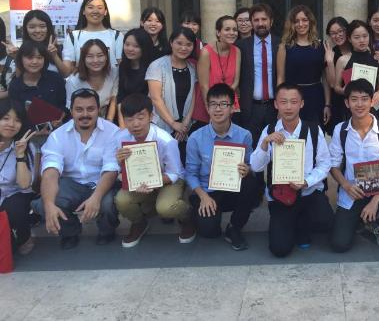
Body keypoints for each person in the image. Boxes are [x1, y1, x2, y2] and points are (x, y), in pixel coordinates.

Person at [250, 83, 333, 257]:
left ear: (301, 104)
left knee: (325, 222)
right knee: (279, 249)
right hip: (281, 195)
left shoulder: (313, 130)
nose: (288, 107)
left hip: (309, 192)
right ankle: (290, 224)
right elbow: (256, 166)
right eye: (283, 102)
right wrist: (265, 143)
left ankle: (302, 223)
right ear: (276, 104)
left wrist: (306, 181)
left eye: (293, 102)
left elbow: (325, 164)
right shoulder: (269, 130)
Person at [33, 88, 121, 249]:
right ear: (71, 111)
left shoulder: (113, 132)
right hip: (71, 184)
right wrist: (49, 204)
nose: (85, 114)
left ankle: (107, 231)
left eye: (90, 109)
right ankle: (70, 232)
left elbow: (111, 169)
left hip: (102, 183)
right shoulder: (57, 136)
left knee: (108, 203)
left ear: (99, 109)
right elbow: (50, 172)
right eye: (79, 109)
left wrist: (96, 198)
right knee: (45, 204)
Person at [329, 79, 379, 251]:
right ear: (347, 103)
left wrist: (375, 201)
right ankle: (363, 221)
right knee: (339, 244)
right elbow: (333, 165)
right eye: (354, 99)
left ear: (372, 101)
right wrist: (346, 185)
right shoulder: (340, 130)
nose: (359, 104)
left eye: (364, 99)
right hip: (352, 192)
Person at [114, 94, 194, 247]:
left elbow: (175, 174)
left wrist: (152, 181)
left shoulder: (165, 140)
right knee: (121, 200)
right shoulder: (120, 138)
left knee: (166, 207)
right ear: (123, 120)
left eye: (140, 117)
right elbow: (116, 170)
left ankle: (187, 217)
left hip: (168, 180)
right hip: (140, 181)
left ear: (151, 116)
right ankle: (139, 223)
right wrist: (119, 162)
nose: (135, 124)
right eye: (129, 119)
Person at [185, 83, 258, 250]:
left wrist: (247, 169)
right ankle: (196, 211)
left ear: (232, 108)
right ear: (207, 107)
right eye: (213, 104)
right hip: (208, 191)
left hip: (233, 188)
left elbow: (250, 164)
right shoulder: (196, 138)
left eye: (223, 104)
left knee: (251, 183)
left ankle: (234, 227)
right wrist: (203, 196)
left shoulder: (244, 135)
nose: (218, 109)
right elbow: (190, 173)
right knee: (209, 232)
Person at [146, 27, 197, 162]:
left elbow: (193, 97)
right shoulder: (157, 66)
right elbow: (156, 99)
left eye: (188, 44)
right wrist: (173, 124)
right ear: (171, 43)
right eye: (179, 43)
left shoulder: (192, 68)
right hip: (162, 125)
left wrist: (185, 124)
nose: (183, 48)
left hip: (185, 127)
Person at [276, 5, 330, 126]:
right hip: (292, 98)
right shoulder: (284, 47)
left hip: (316, 97)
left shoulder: (320, 46)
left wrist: (327, 104)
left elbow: (325, 79)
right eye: (296, 21)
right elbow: (280, 78)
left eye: (304, 20)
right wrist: (280, 105)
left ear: (310, 22)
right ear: (292, 24)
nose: (301, 24)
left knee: (315, 133)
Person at [236, 3, 280, 144]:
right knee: (251, 149)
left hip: (275, 108)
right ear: (251, 23)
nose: (260, 23)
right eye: (256, 20)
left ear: (271, 22)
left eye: (264, 19)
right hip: (250, 108)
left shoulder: (281, 45)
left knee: (275, 149)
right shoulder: (241, 46)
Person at [0, 100, 38, 254]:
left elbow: (24, 185)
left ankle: (24, 238)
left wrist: (20, 155)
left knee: (14, 208)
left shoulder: (27, 146)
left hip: (16, 194)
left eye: (17, 120)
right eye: (5, 118)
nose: (11, 124)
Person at [193, 15, 240, 129]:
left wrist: (225, 104)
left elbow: (235, 81)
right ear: (218, 32)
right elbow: (203, 86)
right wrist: (212, 110)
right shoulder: (206, 52)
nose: (232, 33)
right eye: (227, 29)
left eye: (234, 30)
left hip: (228, 105)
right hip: (207, 105)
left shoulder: (237, 51)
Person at [8, 40, 66, 122]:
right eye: (30, 57)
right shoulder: (15, 85)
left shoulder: (56, 78)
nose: (35, 62)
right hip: (29, 129)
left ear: (45, 59)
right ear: (21, 59)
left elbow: (64, 104)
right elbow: (16, 116)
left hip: (57, 127)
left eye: (39, 57)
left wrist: (62, 115)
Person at [3, 10, 73, 77]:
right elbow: (20, 78)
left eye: (42, 26)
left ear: (48, 28)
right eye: (32, 27)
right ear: (26, 29)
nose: (37, 30)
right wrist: (16, 57)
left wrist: (54, 56)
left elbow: (66, 74)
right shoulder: (22, 50)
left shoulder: (61, 48)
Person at [333, 20, 379, 114]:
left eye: (365, 36)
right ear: (349, 39)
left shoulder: (377, 59)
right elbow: (336, 87)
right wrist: (344, 90)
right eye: (357, 37)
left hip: (372, 106)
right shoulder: (343, 60)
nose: (362, 40)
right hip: (351, 108)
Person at [63, 0, 124, 69]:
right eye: (90, 7)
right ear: (83, 11)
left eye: (100, 8)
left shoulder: (116, 36)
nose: (95, 11)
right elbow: (69, 68)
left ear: (105, 12)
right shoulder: (73, 37)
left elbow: (120, 65)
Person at [65, 39, 118, 120]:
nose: (95, 60)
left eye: (100, 56)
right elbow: (72, 110)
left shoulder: (114, 73)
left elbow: (114, 99)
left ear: (106, 57)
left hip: (107, 120)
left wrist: (108, 123)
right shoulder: (73, 81)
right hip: (83, 120)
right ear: (83, 59)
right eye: (90, 56)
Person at [116, 28, 154, 126]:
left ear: (145, 47)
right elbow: (121, 97)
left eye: (136, 46)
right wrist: (122, 125)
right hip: (127, 116)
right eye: (127, 44)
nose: (130, 49)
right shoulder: (123, 66)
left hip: (148, 118)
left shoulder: (153, 67)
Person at [324, 16, 351, 131]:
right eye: (333, 33)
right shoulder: (330, 53)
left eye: (340, 31)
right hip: (339, 100)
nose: (338, 35)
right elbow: (331, 84)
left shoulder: (357, 49)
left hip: (358, 99)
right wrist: (330, 62)